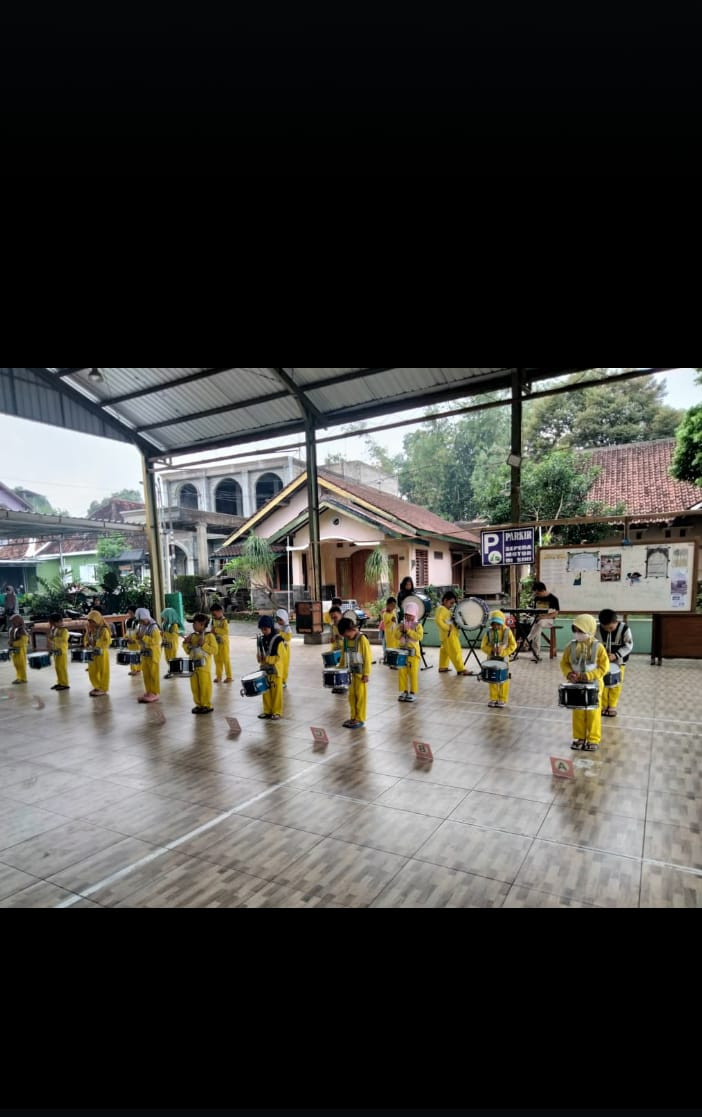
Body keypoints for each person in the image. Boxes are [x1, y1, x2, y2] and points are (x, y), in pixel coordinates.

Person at [561, 613, 609, 751]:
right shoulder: (570, 647)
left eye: (580, 631)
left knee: (593, 712)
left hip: (594, 685)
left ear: (590, 630)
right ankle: (579, 737)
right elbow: (564, 663)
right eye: (575, 630)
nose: (577, 634)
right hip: (576, 685)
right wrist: (569, 674)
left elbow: (604, 667)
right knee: (578, 712)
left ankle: (593, 739)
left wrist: (589, 675)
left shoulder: (599, 647)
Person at [597, 608, 634, 718]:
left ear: (616, 622)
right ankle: (603, 705)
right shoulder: (597, 629)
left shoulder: (625, 629)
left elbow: (629, 645)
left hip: (619, 662)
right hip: (602, 663)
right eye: (605, 628)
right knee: (602, 683)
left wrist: (616, 655)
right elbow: (594, 644)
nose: (608, 630)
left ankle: (612, 706)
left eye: (611, 628)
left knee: (615, 684)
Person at [338, 615, 372, 729]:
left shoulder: (362, 639)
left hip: (361, 675)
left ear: (351, 629)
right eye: (344, 636)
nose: (346, 637)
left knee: (361, 697)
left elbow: (367, 657)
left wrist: (366, 674)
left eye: (346, 635)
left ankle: (360, 718)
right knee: (352, 697)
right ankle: (353, 716)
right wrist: (340, 669)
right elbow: (343, 656)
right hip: (350, 674)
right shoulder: (346, 640)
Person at [480, 610, 517, 708]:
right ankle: (493, 698)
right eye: (494, 624)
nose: (496, 627)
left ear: (502, 622)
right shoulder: (488, 632)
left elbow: (513, 645)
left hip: (503, 659)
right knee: (492, 678)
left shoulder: (507, 631)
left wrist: (503, 652)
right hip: (491, 658)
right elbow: (483, 646)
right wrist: (491, 650)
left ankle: (502, 699)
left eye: (498, 624)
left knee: (503, 678)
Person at [183, 613, 218, 715]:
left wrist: (204, 645)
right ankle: (198, 704)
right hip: (193, 666)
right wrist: (186, 643)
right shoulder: (193, 636)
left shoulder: (209, 636)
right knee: (194, 686)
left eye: (195, 623)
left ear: (202, 625)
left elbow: (215, 650)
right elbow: (188, 651)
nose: (193, 625)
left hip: (204, 667)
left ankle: (206, 705)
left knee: (204, 686)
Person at [256, 615, 286, 721]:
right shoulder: (262, 640)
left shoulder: (279, 640)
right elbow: (259, 655)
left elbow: (281, 657)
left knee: (276, 692)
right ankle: (267, 711)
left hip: (276, 670)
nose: (264, 631)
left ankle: (277, 712)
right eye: (262, 629)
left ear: (271, 627)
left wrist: (267, 659)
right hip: (265, 669)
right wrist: (259, 658)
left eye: (266, 629)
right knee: (266, 691)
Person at [435, 590, 468, 676]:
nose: (452, 605)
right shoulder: (441, 609)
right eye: (451, 603)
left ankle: (443, 666)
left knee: (444, 651)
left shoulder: (445, 609)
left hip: (447, 635)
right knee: (456, 651)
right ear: (445, 600)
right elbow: (438, 621)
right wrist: (448, 628)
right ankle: (461, 669)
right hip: (449, 635)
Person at [526, 582, 560, 662]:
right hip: (538, 620)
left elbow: (555, 614)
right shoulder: (536, 598)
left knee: (539, 623)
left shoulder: (553, 599)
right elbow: (535, 611)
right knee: (537, 629)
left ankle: (527, 640)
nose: (536, 595)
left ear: (543, 590)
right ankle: (536, 654)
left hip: (548, 620)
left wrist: (543, 617)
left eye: (537, 593)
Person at [397, 600, 423, 703]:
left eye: (411, 615)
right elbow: (395, 636)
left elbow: (419, 637)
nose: (408, 617)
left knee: (413, 673)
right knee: (402, 672)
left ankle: (412, 692)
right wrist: (399, 630)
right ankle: (404, 691)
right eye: (407, 614)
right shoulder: (401, 624)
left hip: (413, 654)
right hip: (402, 652)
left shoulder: (418, 626)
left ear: (415, 614)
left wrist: (408, 631)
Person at [135, 607, 162, 703]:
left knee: (153, 674)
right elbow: (139, 638)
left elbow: (156, 641)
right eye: (140, 620)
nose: (141, 622)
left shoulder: (154, 627)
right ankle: (148, 691)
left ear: (146, 617)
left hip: (153, 655)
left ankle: (155, 692)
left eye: (142, 620)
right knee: (146, 674)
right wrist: (137, 637)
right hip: (145, 654)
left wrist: (144, 637)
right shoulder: (141, 626)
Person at [85, 610, 111, 697]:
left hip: (102, 653)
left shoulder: (104, 630)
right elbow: (86, 639)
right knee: (92, 671)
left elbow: (107, 641)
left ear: (97, 620)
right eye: (89, 621)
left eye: (92, 621)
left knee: (103, 671)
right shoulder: (90, 630)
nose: (91, 623)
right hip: (92, 653)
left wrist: (96, 643)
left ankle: (103, 688)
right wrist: (87, 643)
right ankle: (96, 686)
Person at [210, 603, 233, 685]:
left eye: (214, 614)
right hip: (216, 644)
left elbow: (226, 631)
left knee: (225, 660)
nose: (213, 615)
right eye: (212, 614)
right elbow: (211, 630)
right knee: (217, 661)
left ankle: (229, 677)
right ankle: (218, 676)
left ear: (220, 611)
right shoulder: (213, 620)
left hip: (224, 644)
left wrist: (215, 629)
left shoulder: (225, 621)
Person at [328, 604, 348, 695]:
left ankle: (344, 685)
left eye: (335, 616)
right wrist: (332, 639)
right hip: (335, 648)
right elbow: (332, 638)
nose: (334, 618)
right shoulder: (332, 626)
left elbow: (349, 637)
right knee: (335, 667)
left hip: (344, 648)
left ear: (340, 614)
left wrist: (340, 637)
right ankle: (337, 685)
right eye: (332, 617)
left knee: (343, 667)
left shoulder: (345, 624)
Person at [48, 612, 70, 692]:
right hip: (56, 651)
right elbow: (50, 638)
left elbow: (63, 639)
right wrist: (51, 630)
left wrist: (54, 638)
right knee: (57, 668)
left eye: (53, 623)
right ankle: (60, 682)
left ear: (59, 621)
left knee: (62, 668)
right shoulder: (55, 629)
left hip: (62, 651)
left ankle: (65, 683)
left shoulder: (64, 630)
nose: (53, 625)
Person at [161, 608, 182, 678]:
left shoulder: (174, 625)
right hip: (167, 645)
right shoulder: (166, 624)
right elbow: (164, 634)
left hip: (172, 645)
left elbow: (173, 636)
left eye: (165, 617)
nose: (163, 618)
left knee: (172, 658)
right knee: (167, 658)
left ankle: (174, 671)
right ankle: (172, 670)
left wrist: (165, 633)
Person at [8, 614, 29, 684]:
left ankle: (23, 678)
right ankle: (18, 677)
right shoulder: (13, 629)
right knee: (16, 664)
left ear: (19, 621)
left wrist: (13, 643)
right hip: (15, 650)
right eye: (12, 623)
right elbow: (12, 639)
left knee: (21, 664)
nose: (12, 624)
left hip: (21, 651)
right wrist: (10, 640)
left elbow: (25, 641)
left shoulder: (22, 630)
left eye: (14, 622)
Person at [275, 608, 293, 689]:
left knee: (285, 665)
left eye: (281, 620)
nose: (279, 621)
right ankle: (279, 679)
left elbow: (288, 638)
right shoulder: (277, 626)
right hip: (279, 649)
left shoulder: (287, 628)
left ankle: (284, 681)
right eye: (278, 619)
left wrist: (280, 632)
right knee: (279, 664)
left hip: (285, 649)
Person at [380, 596, 399, 664]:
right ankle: (390, 662)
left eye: (394, 605)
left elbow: (396, 622)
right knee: (391, 648)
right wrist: (391, 620)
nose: (393, 607)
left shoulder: (393, 612)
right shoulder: (385, 614)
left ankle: (394, 662)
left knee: (396, 648)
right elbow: (386, 624)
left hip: (395, 634)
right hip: (389, 635)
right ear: (387, 605)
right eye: (391, 605)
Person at [124, 606, 142, 678]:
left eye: (131, 613)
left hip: (136, 641)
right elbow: (127, 631)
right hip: (129, 641)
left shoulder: (139, 621)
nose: (129, 614)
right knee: (132, 655)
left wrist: (135, 640)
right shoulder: (127, 621)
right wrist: (126, 638)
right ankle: (134, 669)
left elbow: (139, 632)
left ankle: (138, 669)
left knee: (138, 655)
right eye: (129, 613)